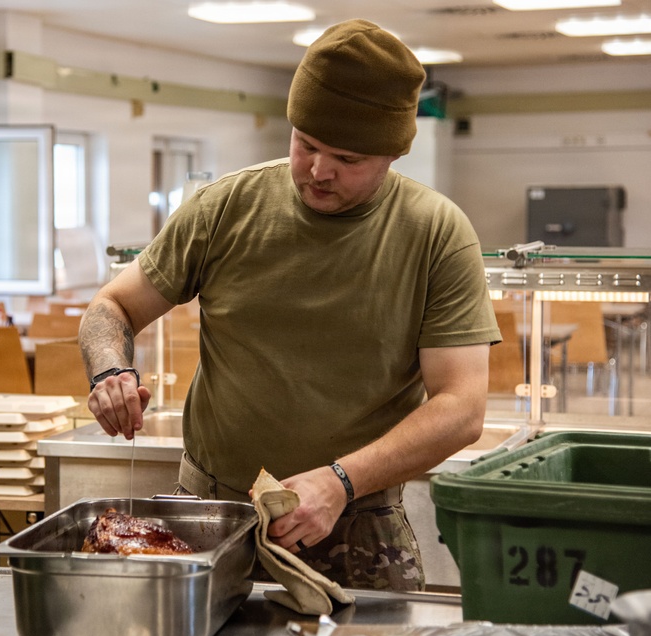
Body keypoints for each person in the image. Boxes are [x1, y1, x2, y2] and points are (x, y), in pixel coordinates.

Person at [78, 18, 500, 591]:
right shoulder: (225, 207)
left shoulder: (436, 233)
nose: (319, 171)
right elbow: (112, 307)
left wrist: (340, 481)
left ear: (391, 155)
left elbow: (461, 406)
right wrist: (110, 369)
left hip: (355, 524)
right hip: (212, 516)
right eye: (306, 144)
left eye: (348, 158)